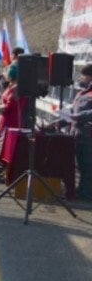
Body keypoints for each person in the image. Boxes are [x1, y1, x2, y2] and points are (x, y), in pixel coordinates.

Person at [62, 63, 92, 200]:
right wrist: (61, 120)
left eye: (84, 75)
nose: (82, 78)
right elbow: (73, 111)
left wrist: (80, 116)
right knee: (79, 165)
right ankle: (81, 189)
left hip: (87, 134)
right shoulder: (81, 92)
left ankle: (87, 193)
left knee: (87, 165)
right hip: (76, 133)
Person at [0, 65, 21, 182]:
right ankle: (3, 171)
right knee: (1, 144)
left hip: (10, 121)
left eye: (6, 73)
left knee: (7, 146)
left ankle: (8, 174)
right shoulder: (11, 87)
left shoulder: (17, 89)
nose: (4, 75)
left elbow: (10, 106)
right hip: (4, 119)